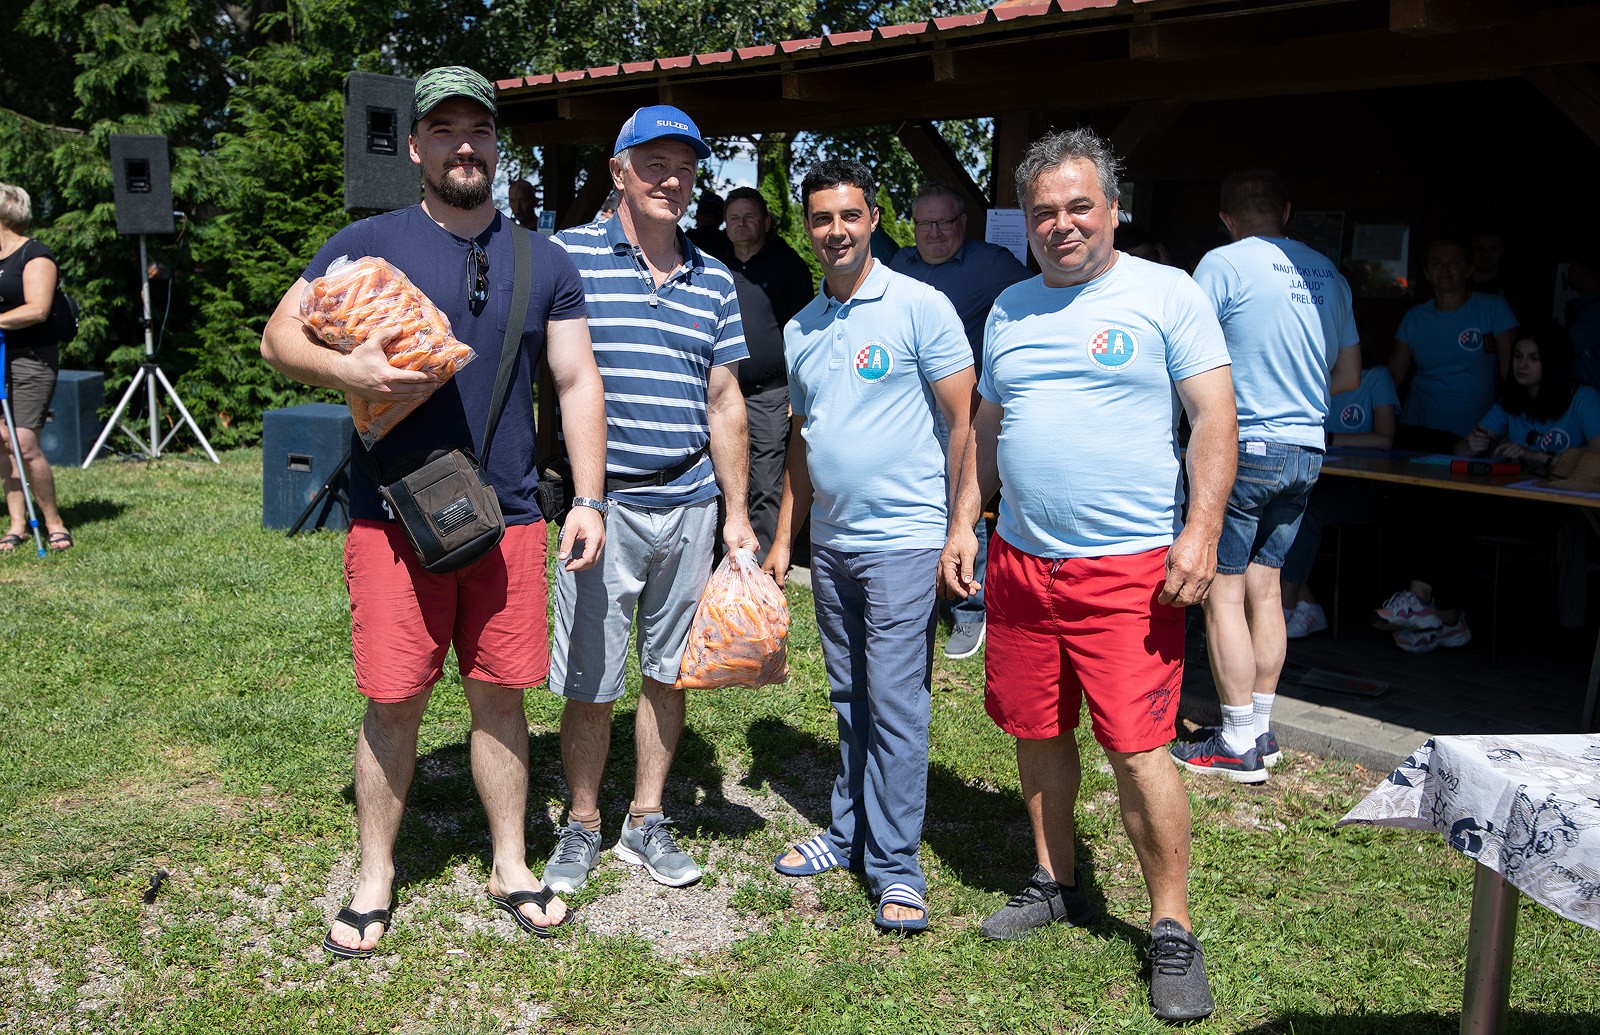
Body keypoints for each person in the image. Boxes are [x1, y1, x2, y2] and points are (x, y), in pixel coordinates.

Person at [260, 66, 609, 955]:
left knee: (500, 696)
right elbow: (278, 335)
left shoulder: (545, 259)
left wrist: (592, 496)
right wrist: (350, 372)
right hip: (392, 518)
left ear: (498, 144)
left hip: (512, 519)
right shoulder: (365, 243)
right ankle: (375, 875)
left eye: (479, 130)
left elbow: (575, 381)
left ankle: (510, 862)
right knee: (393, 700)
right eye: (444, 129)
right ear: (414, 146)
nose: (464, 145)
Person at [945, 128, 1235, 1022]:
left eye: (1079, 207)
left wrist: (1202, 530)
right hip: (1026, 564)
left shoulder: (1166, 293)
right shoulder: (1011, 308)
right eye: (1044, 212)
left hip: (1131, 570)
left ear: (1114, 208)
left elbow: (1215, 419)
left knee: (1138, 747)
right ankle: (1055, 878)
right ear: (1025, 222)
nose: (1061, 225)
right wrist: (966, 520)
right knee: (1036, 728)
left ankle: (1172, 925)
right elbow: (987, 429)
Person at [543, 105, 757, 895]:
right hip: (603, 506)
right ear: (618, 170)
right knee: (590, 679)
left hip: (692, 501)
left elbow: (726, 400)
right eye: (654, 164)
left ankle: (646, 816)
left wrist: (736, 513)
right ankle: (582, 822)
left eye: (685, 167)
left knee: (669, 673)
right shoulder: (567, 258)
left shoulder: (715, 280)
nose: (671, 180)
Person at [762, 160, 975, 934]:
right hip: (835, 548)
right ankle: (849, 834)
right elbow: (801, 441)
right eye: (821, 219)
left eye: (849, 215)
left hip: (906, 543)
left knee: (894, 703)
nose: (835, 231)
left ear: (874, 218)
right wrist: (786, 535)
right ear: (808, 227)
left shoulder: (922, 306)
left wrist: (961, 526)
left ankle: (896, 868)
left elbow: (965, 422)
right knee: (851, 699)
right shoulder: (803, 327)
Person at [1170, 169, 1360, 784]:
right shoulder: (1329, 274)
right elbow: (1350, 375)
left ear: (1227, 219)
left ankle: (1234, 739)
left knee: (1223, 589)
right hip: (1307, 447)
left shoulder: (1221, 265)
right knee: (1267, 586)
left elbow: (1184, 351)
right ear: (1285, 210)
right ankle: (1263, 729)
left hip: (1245, 444)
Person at [890, 182, 1029, 659]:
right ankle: (925, 591)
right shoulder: (899, 266)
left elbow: (1036, 304)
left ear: (961, 224)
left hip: (964, 409)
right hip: (906, 412)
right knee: (920, 498)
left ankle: (970, 610)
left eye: (943, 222)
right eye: (924, 223)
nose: (933, 232)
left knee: (964, 496)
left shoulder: (992, 265)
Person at [1279, 340, 1401, 639]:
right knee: (1274, 507)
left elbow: (1385, 438)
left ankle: (1281, 612)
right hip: (1320, 478)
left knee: (1310, 513)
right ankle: (1306, 605)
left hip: (1368, 486)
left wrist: (1331, 437)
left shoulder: (1376, 376)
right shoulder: (1311, 375)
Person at [720, 186, 814, 558]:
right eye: (734, 217)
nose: (741, 224)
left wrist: (798, 390)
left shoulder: (787, 265)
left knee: (764, 480)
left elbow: (807, 334)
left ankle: (760, 569)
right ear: (726, 224)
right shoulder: (714, 264)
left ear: (765, 221)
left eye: (749, 216)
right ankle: (718, 565)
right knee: (719, 478)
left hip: (770, 394)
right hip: (719, 393)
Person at [1388, 237, 1520, 452]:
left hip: (1471, 432)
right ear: (1426, 272)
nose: (1445, 269)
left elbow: (1513, 376)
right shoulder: (1414, 317)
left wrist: (1507, 426)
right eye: (1437, 263)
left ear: (1469, 270)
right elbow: (1393, 375)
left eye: (1455, 262)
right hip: (1416, 424)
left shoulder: (1493, 308)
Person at [0, 183, 72, 552]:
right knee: (2, 443)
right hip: (0, 356)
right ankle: (16, 524)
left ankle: (53, 521)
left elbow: (37, 308)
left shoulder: (34, 254)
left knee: (23, 442)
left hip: (30, 359)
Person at [685, 189, 729, 258]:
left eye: (713, 214)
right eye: (706, 212)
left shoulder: (686, 239)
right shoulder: (729, 242)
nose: (709, 217)